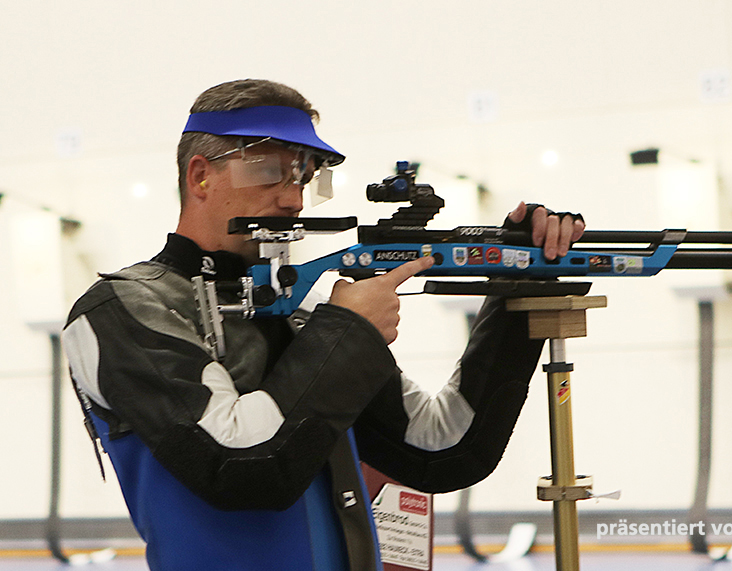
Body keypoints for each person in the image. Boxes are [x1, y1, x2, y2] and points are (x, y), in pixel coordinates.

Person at [62, 79, 585, 571]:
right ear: (200, 176)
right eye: (270, 170)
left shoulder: (302, 313)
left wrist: (519, 281)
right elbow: (241, 465)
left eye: (305, 176)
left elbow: (443, 448)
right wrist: (349, 331)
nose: (293, 199)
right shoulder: (122, 308)